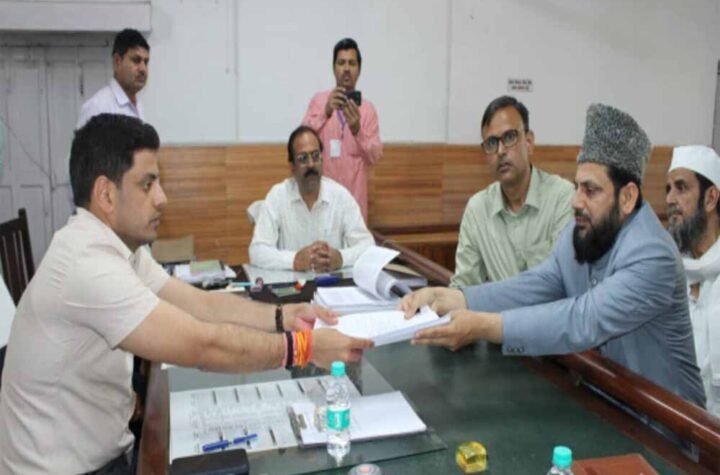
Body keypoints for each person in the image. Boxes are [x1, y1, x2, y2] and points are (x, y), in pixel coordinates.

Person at [0, 114, 373, 474]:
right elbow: (202, 345)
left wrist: (283, 317)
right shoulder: (87, 262)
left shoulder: (118, 248)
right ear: (106, 194)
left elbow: (201, 304)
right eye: (147, 184)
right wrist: (304, 348)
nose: (162, 198)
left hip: (107, 453)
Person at [402, 104, 705, 409]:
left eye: (591, 190)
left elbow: (583, 320)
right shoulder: (584, 231)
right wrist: (457, 298)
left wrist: (483, 326)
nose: (576, 201)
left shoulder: (654, 255)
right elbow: (537, 284)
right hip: (607, 405)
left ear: (627, 197)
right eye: (577, 187)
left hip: (668, 425)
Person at [451, 96, 574, 287]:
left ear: (529, 142)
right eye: (491, 143)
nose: (500, 151)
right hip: (497, 307)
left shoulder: (562, 197)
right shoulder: (477, 210)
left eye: (509, 137)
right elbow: (464, 285)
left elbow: (563, 281)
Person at [249, 125, 374, 272]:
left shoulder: (340, 196)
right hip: (291, 284)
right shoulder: (277, 196)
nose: (311, 164)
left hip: (331, 283)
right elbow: (257, 251)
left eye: (315, 156)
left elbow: (368, 246)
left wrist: (341, 258)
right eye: (303, 158)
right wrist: (294, 261)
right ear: (292, 167)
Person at [302, 38, 382, 221]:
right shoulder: (319, 101)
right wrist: (325, 112)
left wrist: (358, 131)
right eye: (341, 63)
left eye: (352, 63)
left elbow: (375, 155)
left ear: (359, 70)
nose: (346, 68)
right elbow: (302, 140)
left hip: (355, 205)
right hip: (323, 202)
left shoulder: (367, 110)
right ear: (334, 68)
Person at [666, 145, 720, 417]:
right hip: (677, 422)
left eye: (681, 188)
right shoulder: (666, 270)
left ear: (711, 198)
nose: (670, 199)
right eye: (668, 189)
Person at [76, 29, 150, 128]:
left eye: (146, 62)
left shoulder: (138, 106)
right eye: (136, 60)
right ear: (117, 61)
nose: (143, 69)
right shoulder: (97, 109)